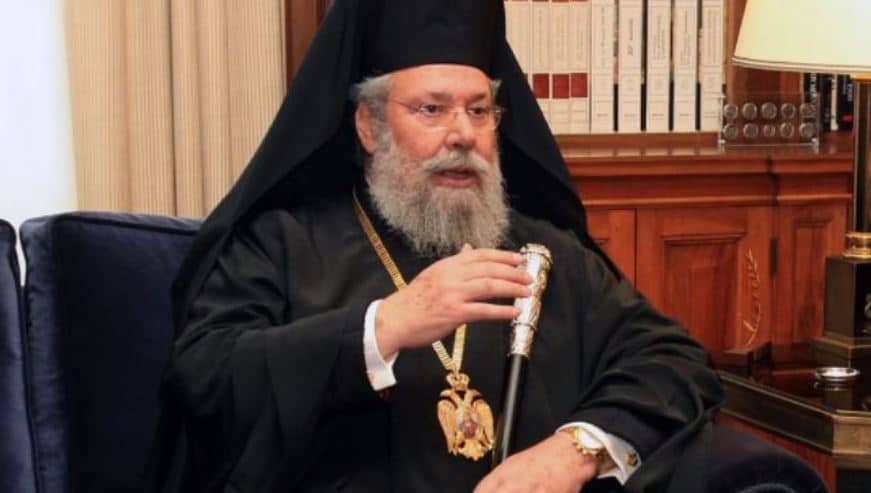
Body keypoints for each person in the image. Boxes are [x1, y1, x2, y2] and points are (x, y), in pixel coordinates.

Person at [145, 1, 724, 492]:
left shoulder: (545, 253)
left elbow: (673, 360)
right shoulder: (281, 244)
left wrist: (575, 450)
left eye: (479, 110)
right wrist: (382, 327)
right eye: (431, 109)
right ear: (369, 126)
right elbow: (206, 377)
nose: (463, 134)